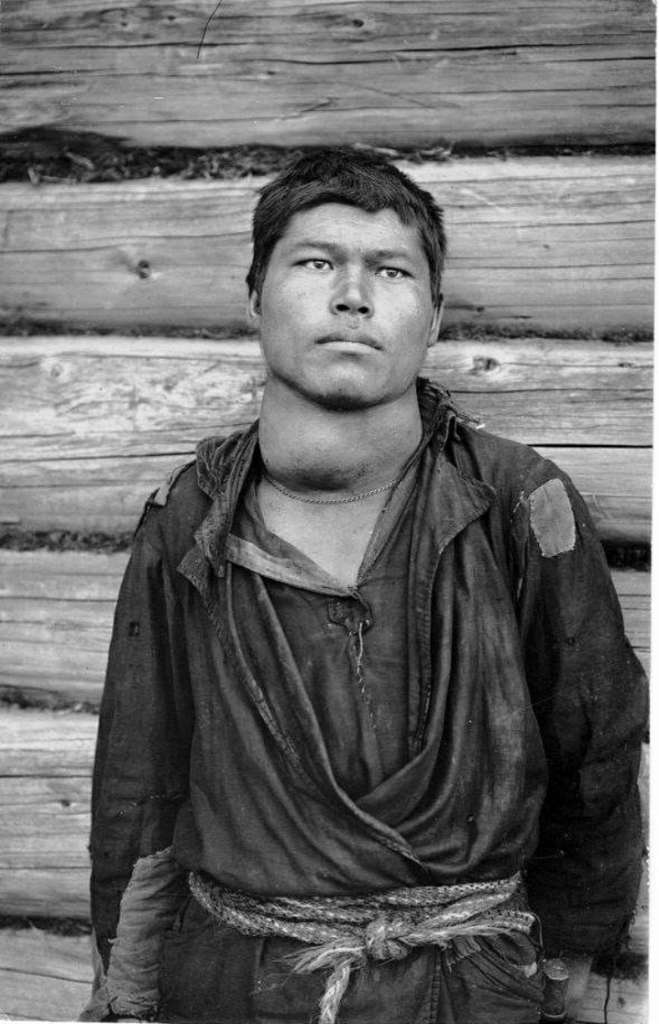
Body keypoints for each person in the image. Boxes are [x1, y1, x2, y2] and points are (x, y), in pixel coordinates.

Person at [82, 148, 647, 1024]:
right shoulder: (189, 513)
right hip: (234, 982)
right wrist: (127, 978)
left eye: (391, 270)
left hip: (470, 983)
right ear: (255, 297)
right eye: (315, 263)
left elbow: (592, 740)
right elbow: (140, 769)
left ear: (435, 315)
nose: (352, 296)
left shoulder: (516, 502)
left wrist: (566, 952)